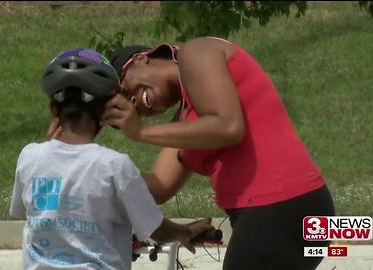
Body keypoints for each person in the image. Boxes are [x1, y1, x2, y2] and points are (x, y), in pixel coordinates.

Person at [97, 37, 335, 270]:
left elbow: (229, 127)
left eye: (126, 91)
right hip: (289, 211)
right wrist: (83, 163)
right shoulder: (187, 121)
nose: (136, 104)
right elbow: (159, 187)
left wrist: (141, 132)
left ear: (140, 59)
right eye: (130, 109)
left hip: (281, 205)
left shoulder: (195, 52)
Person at [10, 48, 213, 270]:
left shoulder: (29, 156)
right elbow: (156, 230)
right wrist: (184, 232)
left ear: (53, 109)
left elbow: (25, 209)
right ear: (104, 111)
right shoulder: (115, 166)